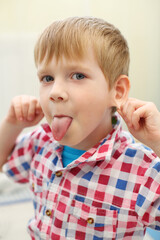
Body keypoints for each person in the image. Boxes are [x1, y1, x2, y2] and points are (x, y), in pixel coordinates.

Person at [0, 17, 160, 239]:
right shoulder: (40, 142)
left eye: (77, 75)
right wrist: (12, 124)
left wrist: (158, 142)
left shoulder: (141, 169)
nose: (55, 91)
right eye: (47, 78)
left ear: (118, 92)